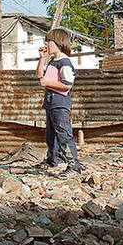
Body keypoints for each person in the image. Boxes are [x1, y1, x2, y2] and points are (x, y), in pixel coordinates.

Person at [35, 28, 82, 176]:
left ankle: (74, 165)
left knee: (63, 133)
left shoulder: (65, 62)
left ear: (58, 43)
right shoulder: (52, 62)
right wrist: (42, 58)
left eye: (49, 41)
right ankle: (53, 160)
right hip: (50, 103)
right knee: (51, 134)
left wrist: (48, 83)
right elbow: (39, 75)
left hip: (60, 103)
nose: (46, 44)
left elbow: (67, 84)